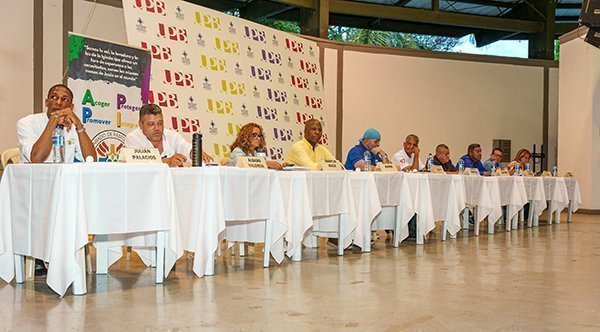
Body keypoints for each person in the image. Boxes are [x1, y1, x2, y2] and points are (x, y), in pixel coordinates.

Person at [17, 84, 97, 163]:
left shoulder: (72, 127)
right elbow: (37, 159)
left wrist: (79, 125)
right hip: (35, 175)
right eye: (54, 97)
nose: (59, 102)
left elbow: (91, 160)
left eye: (65, 99)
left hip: (64, 175)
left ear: (71, 107)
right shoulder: (26, 123)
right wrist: (53, 121)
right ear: (46, 102)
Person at [124, 103, 212, 167]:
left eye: (160, 123)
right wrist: (167, 162)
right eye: (151, 124)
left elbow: (185, 147)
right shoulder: (133, 138)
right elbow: (138, 164)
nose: (157, 128)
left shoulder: (172, 136)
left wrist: (194, 152)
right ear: (140, 125)